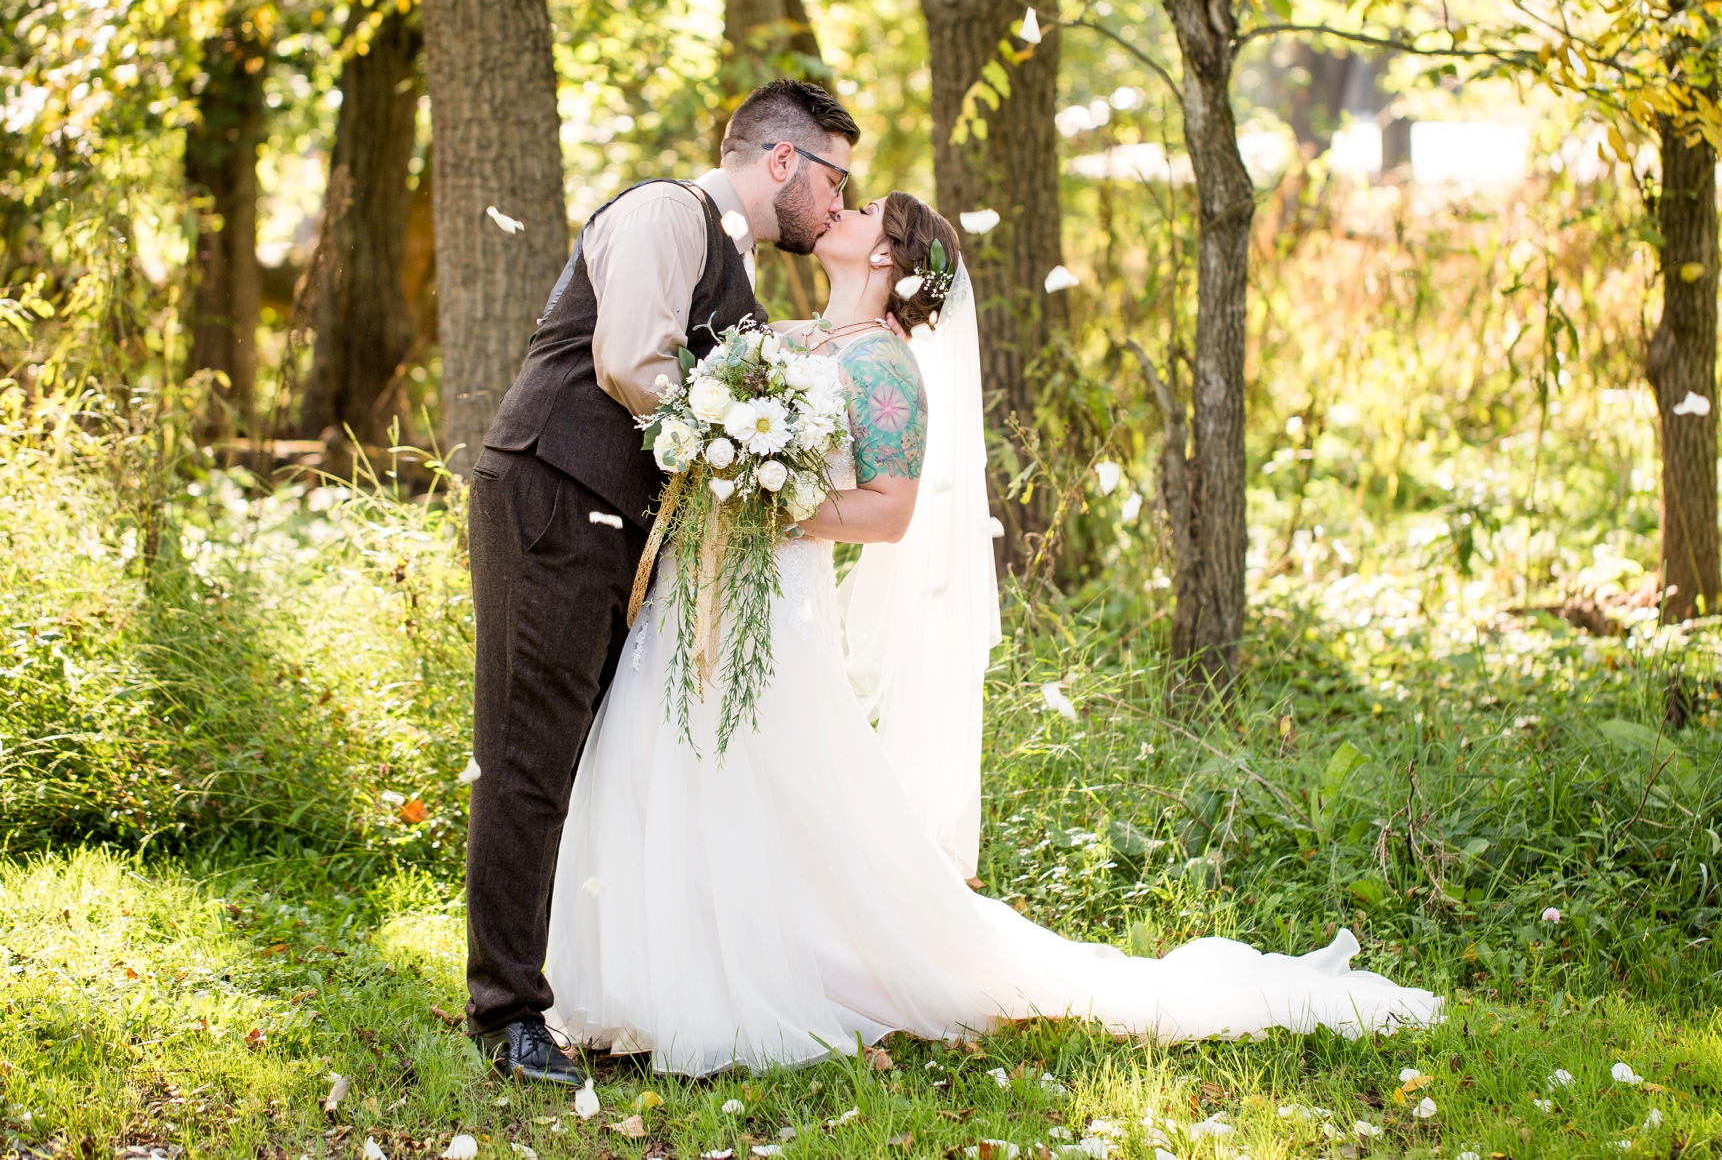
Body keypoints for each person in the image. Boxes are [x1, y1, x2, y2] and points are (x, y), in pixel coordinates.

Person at [544, 192, 1442, 1076]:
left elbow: (887, 514)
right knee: (666, 759)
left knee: (753, 774)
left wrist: (773, 496)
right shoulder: (785, 338)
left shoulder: (885, 368)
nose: (838, 212)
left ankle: (742, 986)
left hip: (776, 601)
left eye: (861, 214)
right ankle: (651, 983)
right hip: (699, 590)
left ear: (887, 258)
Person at [462, 80, 861, 1085]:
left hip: (605, 518)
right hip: (553, 492)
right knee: (527, 752)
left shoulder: (729, 265)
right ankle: (505, 1014)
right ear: (782, 161)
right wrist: (741, 445)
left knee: (574, 755)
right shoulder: (662, 214)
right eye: (834, 179)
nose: (835, 204)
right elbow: (631, 363)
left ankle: (558, 990)